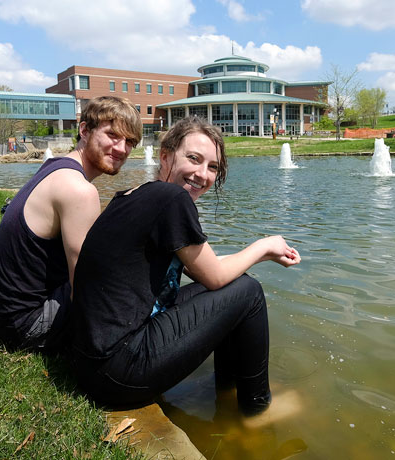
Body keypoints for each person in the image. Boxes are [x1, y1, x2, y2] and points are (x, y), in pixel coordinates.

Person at [70, 116, 301, 416]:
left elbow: (209, 270)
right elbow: (217, 276)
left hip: (91, 362)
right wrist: (264, 246)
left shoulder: (136, 195)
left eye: (213, 167)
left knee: (235, 287)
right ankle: (256, 408)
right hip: (116, 371)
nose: (202, 174)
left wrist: (262, 254)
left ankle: (228, 390)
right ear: (165, 155)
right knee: (249, 292)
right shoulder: (171, 199)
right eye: (193, 159)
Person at [0, 96, 142, 352]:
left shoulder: (55, 166)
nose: (122, 148)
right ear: (84, 130)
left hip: (8, 314)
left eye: (130, 142)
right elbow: (84, 286)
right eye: (113, 135)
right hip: (26, 327)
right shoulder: (78, 190)